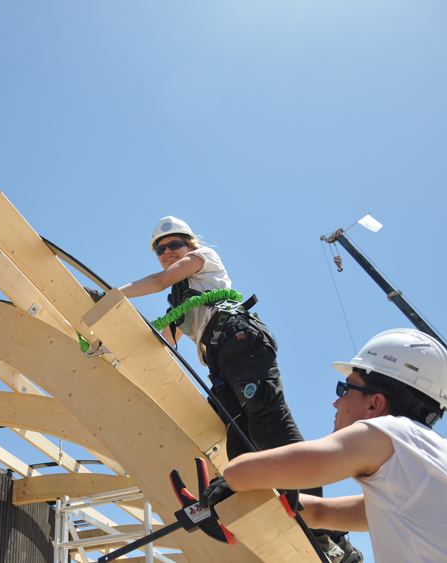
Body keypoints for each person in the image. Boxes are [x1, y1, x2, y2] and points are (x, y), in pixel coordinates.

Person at [118, 216, 360, 562]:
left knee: (270, 426)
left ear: (190, 244)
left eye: (175, 245)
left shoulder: (203, 259)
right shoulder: (179, 301)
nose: (168, 253)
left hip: (238, 339)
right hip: (221, 358)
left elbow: (157, 281)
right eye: (161, 249)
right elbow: (162, 343)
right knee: (241, 446)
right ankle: (312, 533)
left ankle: (324, 537)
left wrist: (113, 297)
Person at [203, 328, 447, 563]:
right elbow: (325, 513)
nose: (336, 401)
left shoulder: (390, 431)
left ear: (375, 404)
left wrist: (231, 478)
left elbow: (310, 464)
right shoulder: (429, 463)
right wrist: (280, 507)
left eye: (345, 388)